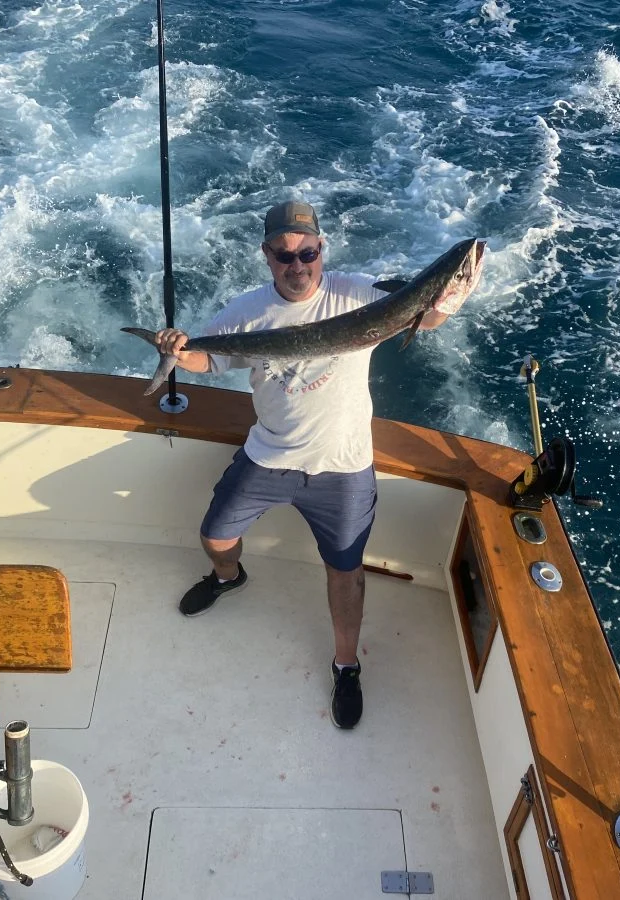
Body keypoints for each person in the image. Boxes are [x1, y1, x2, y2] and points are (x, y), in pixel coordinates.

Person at [156, 200, 466, 730]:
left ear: (322, 249)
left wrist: (449, 296)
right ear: (266, 255)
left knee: (345, 572)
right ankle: (229, 578)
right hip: (269, 454)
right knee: (215, 535)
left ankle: (346, 664)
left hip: (343, 467)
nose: (297, 265)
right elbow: (210, 359)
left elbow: (426, 315)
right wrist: (179, 352)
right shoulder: (247, 311)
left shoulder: (358, 293)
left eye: (308, 253)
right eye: (284, 255)